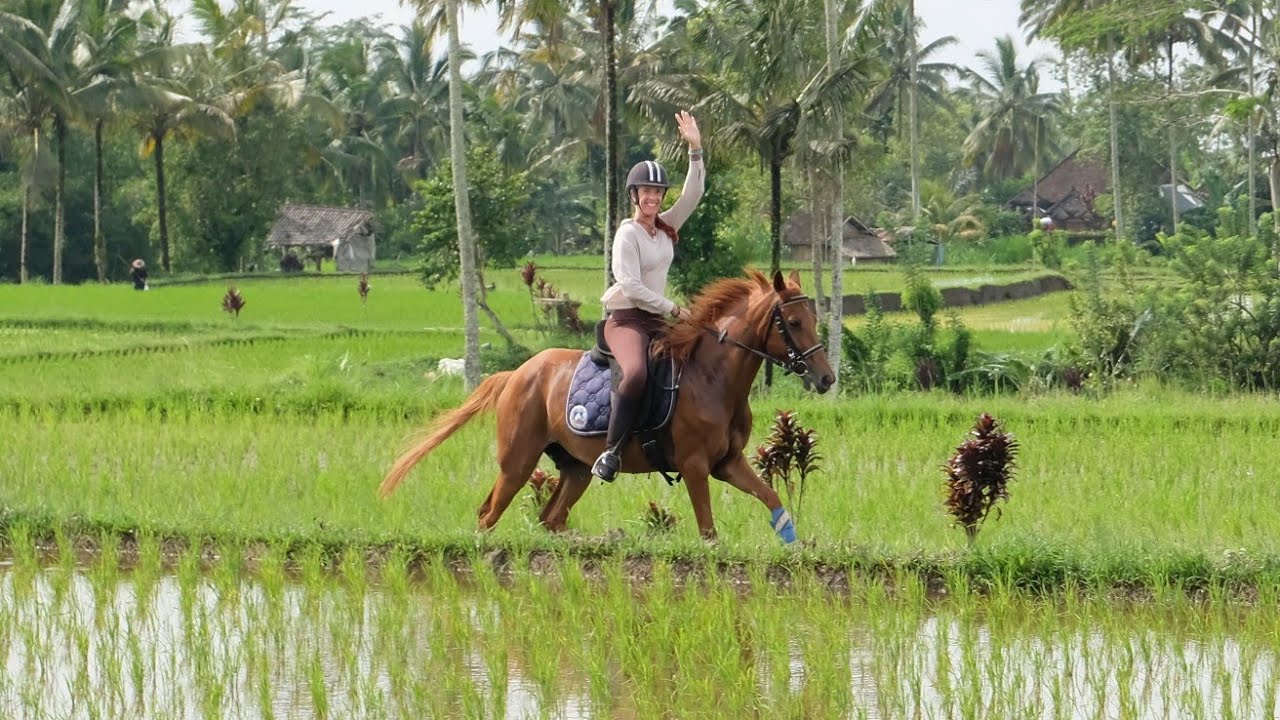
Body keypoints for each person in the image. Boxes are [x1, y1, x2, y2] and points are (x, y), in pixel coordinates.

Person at [592, 110, 704, 482]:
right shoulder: (628, 234)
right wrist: (673, 308)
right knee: (637, 373)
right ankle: (610, 452)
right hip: (626, 319)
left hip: (655, 321)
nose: (653, 197)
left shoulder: (665, 226)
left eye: (657, 192)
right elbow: (631, 286)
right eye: (647, 192)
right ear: (635, 195)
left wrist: (695, 149)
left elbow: (693, 194)